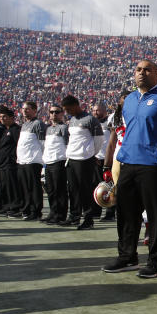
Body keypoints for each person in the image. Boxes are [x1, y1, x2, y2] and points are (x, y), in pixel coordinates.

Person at [103, 60, 157, 278]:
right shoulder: (130, 100)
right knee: (126, 212)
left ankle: (156, 261)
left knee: (155, 214)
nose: (142, 73)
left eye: (148, 70)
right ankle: (127, 256)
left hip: (154, 163)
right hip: (127, 161)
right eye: (138, 70)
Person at [62, 94, 104, 230]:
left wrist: (91, 154)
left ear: (76, 106)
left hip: (84, 160)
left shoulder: (91, 120)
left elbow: (98, 141)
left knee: (85, 190)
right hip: (71, 159)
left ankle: (88, 218)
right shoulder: (72, 120)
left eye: (68, 109)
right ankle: (74, 216)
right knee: (73, 189)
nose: (67, 112)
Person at [16, 101, 46, 221]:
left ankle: (36, 211)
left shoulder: (38, 124)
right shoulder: (24, 125)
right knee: (24, 187)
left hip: (33, 161)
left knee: (34, 187)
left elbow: (43, 144)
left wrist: (43, 160)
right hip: (23, 161)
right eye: (23, 109)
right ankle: (27, 209)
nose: (24, 111)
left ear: (34, 110)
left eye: (27, 109)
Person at [42, 103, 69, 225]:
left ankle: (60, 215)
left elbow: (67, 145)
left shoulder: (64, 128)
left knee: (60, 190)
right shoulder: (48, 129)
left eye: (57, 112)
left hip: (59, 161)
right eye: (52, 112)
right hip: (48, 162)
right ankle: (53, 213)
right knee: (51, 190)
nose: (54, 114)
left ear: (62, 113)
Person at [0, 106, 23, 217]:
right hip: (3, 162)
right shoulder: (4, 130)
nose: (2, 119)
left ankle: (16, 207)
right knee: (5, 185)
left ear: (12, 117)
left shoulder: (15, 130)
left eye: (4, 117)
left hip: (11, 162)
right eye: (1, 117)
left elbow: (18, 145)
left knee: (13, 186)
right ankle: (7, 206)